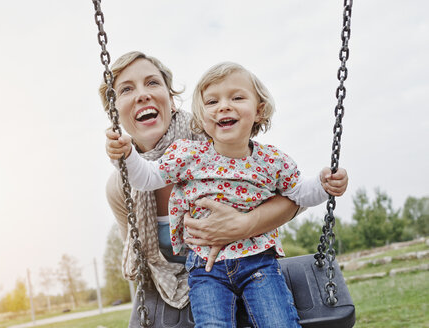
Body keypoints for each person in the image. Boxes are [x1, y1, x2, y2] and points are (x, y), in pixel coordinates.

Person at [105, 61, 348, 327]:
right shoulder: (185, 157)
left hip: (258, 264)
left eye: (152, 82)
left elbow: (299, 194)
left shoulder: (263, 157)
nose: (223, 106)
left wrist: (324, 185)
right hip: (205, 274)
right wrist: (126, 155)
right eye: (127, 89)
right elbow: (145, 177)